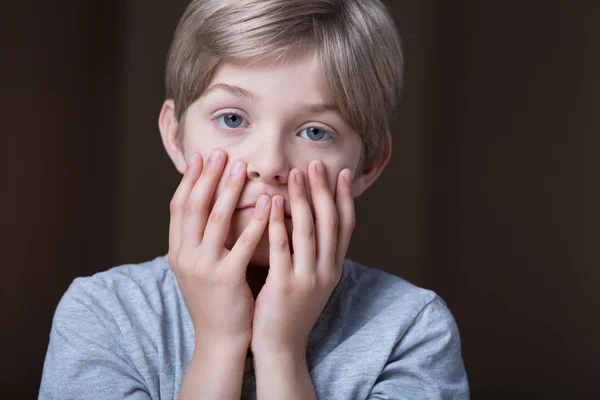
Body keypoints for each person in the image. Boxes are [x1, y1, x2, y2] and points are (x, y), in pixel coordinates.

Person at [39, 0, 469, 398]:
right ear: (175, 135)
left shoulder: (411, 328)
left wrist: (281, 352)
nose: (269, 163)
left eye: (315, 131)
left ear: (369, 164)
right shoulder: (103, 314)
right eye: (232, 118)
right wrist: (219, 343)